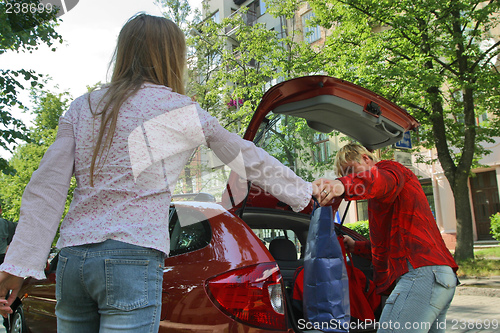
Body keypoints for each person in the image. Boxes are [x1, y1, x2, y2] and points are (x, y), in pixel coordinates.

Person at [0, 14, 317, 332]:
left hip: (74, 259)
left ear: (124, 52)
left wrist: (19, 263)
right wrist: (304, 192)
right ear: (172, 57)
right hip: (133, 256)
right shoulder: (182, 110)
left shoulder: (84, 107)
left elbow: (47, 188)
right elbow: (248, 158)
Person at [313, 142, 458, 333]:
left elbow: (377, 180)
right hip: (438, 275)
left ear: (366, 158)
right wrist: (356, 247)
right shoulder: (382, 196)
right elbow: (389, 246)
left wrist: (341, 184)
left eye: (351, 169)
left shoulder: (389, 169)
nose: (350, 176)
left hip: (421, 273)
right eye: (345, 173)